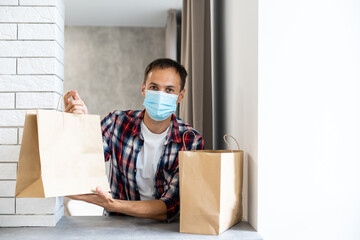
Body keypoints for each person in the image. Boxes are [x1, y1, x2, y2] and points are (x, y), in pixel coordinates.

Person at [64, 58, 204, 222]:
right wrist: (79, 124)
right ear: (144, 89)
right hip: (116, 226)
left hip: (165, 231)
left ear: (181, 96)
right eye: (154, 87)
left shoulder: (190, 140)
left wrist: (112, 204)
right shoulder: (117, 122)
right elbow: (84, 159)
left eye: (169, 90)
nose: (160, 95)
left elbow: (170, 206)